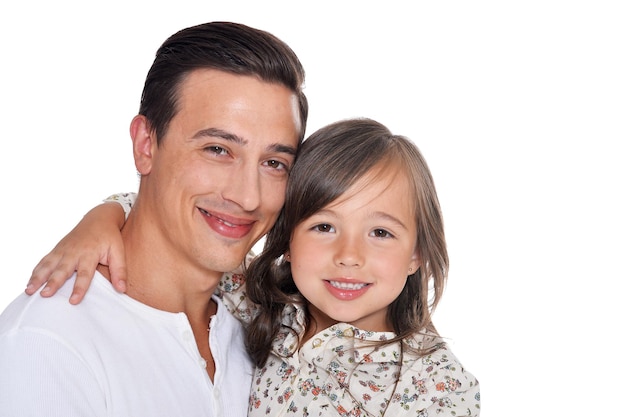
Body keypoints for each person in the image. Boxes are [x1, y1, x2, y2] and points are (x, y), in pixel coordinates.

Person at [23, 119, 481, 416]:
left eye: (381, 233)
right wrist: (100, 220)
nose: (349, 255)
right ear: (287, 239)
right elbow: (165, 223)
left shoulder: (435, 385)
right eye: (323, 226)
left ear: (418, 253)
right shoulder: (267, 302)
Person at [0, 21, 307, 417]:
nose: (248, 197)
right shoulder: (51, 343)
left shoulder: (269, 323)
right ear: (146, 145)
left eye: (274, 163)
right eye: (217, 149)